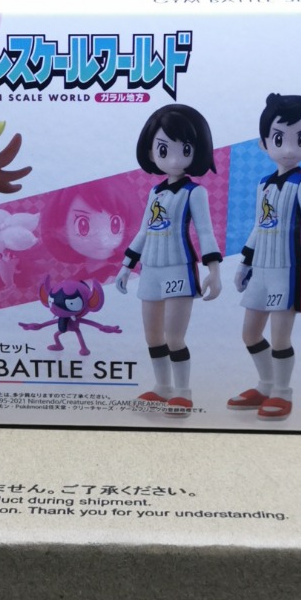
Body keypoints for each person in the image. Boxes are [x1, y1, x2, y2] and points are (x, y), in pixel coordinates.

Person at [115, 104, 222, 412]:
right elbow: (144, 230)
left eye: (185, 149)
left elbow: (205, 232)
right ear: (151, 151)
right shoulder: (155, 193)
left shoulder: (194, 193)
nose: (174, 159)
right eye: (164, 149)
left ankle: (183, 392)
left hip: (179, 268)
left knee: (174, 337)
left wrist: (214, 271)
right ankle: (162, 387)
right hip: (150, 269)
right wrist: (126, 266)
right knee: (153, 336)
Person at [231, 93, 301, 421]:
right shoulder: (263, 184)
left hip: (288, 269)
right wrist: (244, 263)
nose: (288, 148)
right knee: (250, 334)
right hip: (260, 269)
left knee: (279, 338)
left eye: (300, 138)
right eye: (278, 139)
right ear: (264, 143)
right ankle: (265, 384)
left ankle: (282, 392)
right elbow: (259, 226)